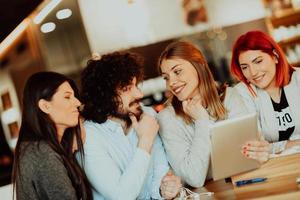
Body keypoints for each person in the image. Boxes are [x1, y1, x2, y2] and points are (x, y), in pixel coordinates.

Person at [80, 52, 182, 200]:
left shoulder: (147, 114)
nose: (139, 94)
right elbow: (121, 196)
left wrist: (164, 189)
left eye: (136, 85)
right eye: (127, 88)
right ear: (104, 96)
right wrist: (145, 142)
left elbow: (160, 173)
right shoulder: (89, 137)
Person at [156, 40, 251, 188]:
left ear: (199, 65)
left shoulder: (230, 97)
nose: (171, 83)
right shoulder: (166, 118)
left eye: (177, 71)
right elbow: (194, 177)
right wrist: (201, 121)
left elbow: (249, 155)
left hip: (245, 184)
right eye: (166, 77)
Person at [12, 72, 92, 200]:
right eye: (67, 97)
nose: (77, 102)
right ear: (45, 106)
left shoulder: (44, 148)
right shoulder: (41, 152)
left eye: (75, 96)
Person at [231, 30, 300, 157]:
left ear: (275, 56)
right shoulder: (241, 93)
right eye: (245, 67)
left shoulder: (298, 78)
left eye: (258, 61)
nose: (253, 72)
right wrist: (292, 144)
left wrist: (272, 147)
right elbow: (254, 147)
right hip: (273, 168)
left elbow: (265, 147)